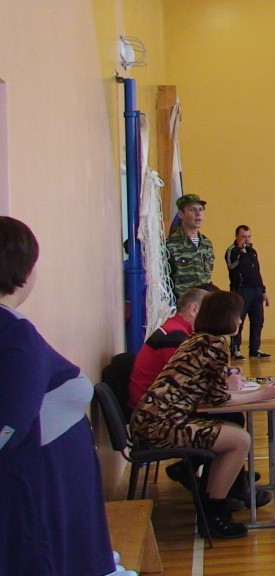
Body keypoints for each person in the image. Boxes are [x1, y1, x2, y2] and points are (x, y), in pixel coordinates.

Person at [0, 216, 115, 576]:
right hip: (39, 490)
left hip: (48, 485)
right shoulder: (14, 334)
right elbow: (10, 424)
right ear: (23, 269)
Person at [130, 291, 275, 539]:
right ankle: (214, 514)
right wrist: (261, 394)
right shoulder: (215, 344)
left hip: (151, 419)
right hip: (161, 425)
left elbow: (211, 394)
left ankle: (217, 499)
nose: (240, 320)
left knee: (231, 425)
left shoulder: (198, 339)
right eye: (237, 315)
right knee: (239, 440)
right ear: (225, 316)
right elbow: (219, 398)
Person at [129, 287, 208, 409]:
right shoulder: (174, 336)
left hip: (155, 404)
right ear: (194, 309)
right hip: (151, 411)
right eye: (209, 313)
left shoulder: (175, 330)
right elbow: (190, 383)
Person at [225, 225, 271, 359]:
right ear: (237, 236)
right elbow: (231, 266)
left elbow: (257, 272)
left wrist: (263, 291)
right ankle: (235, 349)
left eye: (249, 236)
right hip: (241, 290)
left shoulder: (252, 251)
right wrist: (241, 253)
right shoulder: (232, 251)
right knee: (239, 321)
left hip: (256, 290)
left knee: (258, 320)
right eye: (244, 236)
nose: (247, 239)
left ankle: (255, 349)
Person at [166, 194, 215, 298]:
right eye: (192, 210)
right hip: (182, 303)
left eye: (200, 209)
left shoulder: (207, 244)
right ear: (181, 214)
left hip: (204, 301)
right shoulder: (170, 244)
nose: (198, 214)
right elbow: (165, 279)